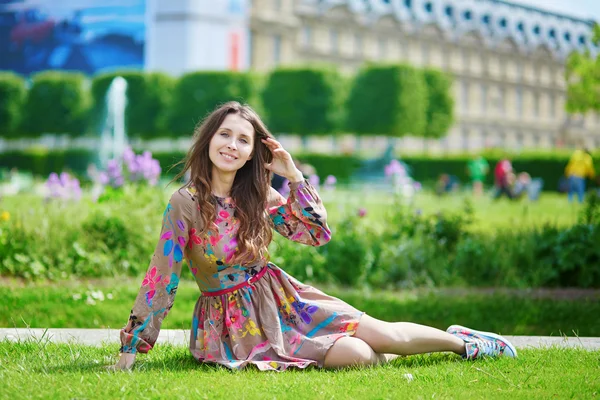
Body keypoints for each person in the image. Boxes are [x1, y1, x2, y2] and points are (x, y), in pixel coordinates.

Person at [112, 102, 517, 372]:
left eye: (243, 140)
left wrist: (294, 177)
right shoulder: (185, 203)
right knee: (361, 356)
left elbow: (315, 234)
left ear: (254, 153)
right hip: (232, 324)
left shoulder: (260, 195)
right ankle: (419, 347)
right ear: (209, 139)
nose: (231, 146)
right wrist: (132, 348)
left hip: (283, 297)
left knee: (383, 335)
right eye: (224, 135)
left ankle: (465, 343)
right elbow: (161, 277)